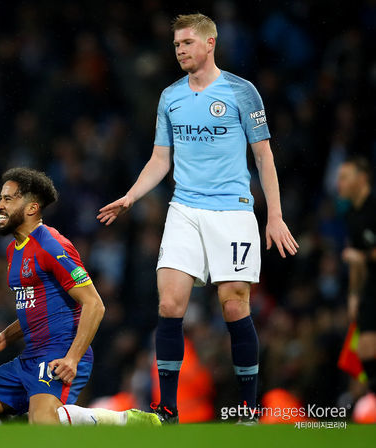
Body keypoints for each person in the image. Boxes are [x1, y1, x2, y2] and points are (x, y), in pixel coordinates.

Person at [97, 13, 298, 424]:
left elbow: (264, 157)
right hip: (185, 209)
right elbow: (160, 159)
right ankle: (168, 409)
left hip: (233, 210)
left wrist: (274, 216)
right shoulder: (170, 97)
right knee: (169, 303)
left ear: (210, 43)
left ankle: (247, 408)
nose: (180, 50)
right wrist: (131, 197)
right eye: (176, 45)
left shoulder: (242, 92)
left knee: (234, 306)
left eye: (187, 42)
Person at [0, 167, 160, 426]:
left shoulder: (51, 244)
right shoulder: (13, 250)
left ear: (31, 208)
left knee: (43, 423)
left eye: (7, 199)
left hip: (59, 353)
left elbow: (94, 304)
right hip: (29, 357)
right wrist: (6, 336)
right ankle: (27, 420)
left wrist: (72, 358)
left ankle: (123, 420)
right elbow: (39, 309)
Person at [337, 157, 376, 399]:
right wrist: (353, 296)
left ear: (362, 179)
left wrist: (362, 257)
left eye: (344, 177)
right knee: (365, 350)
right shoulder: (351, 214)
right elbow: (356, 264)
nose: (338, 183)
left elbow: (359, 257)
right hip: (371, 286)